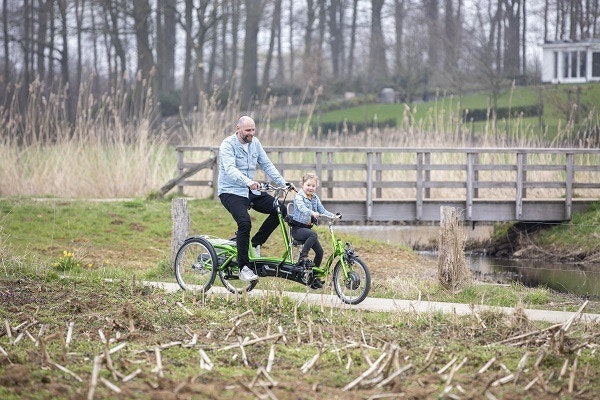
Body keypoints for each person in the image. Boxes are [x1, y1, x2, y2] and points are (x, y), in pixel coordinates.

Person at [218, 115, 293, 282]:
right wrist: (248, 181)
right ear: (238, 129)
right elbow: (230, 169)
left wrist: (284, 182)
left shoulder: (255, 143)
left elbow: (266, 164)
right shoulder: (227, 145)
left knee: (280, 209)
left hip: (251, 190)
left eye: (253, 130)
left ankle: (255, 243)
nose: (251, 133)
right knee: (244, 223)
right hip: (231, 191)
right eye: (247, 130)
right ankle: (243, 268)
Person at [288, 172, 339, 289]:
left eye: (313, 186)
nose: (311, 188)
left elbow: (322, 210)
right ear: (302, 185)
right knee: (313, 234)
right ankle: (303, 257)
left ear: (316, 187)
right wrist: (311, 212)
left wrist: (332, 216)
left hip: (307, 230)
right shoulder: (299, 197)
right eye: (308, 185)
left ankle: (313, 278)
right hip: (297, 230)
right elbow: (301, 208)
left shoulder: (315, 198)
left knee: (320, 252)